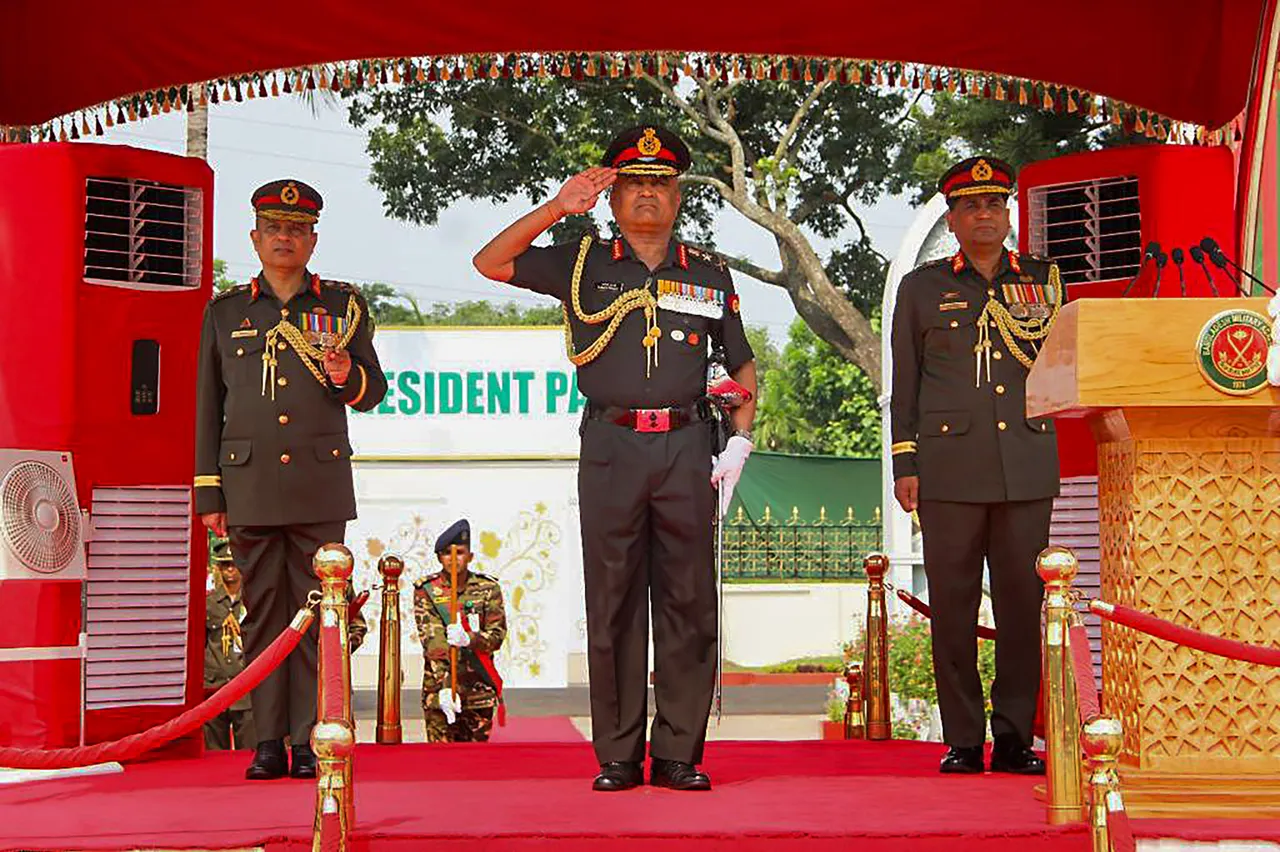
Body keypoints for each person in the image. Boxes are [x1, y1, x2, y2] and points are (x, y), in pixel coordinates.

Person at [473, 125, 757, 792]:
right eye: (635, 184)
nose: (648, 196)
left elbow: (739, 365)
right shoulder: (581, 263)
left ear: (678, 195)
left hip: (689, 444)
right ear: (614, 195)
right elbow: (489, 262)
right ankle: (620, 755)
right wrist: (555, 207)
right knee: (615, 602)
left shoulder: (709, 273)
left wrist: (740, 437)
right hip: (610, 445)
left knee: (689, 602)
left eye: (660, 184)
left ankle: (681, 751)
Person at [193, 179, 387, 781]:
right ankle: (267, 739)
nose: (285, 238)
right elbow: (207, 406)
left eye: (297, 230)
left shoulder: (343, 307)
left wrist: (344, 370)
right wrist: (209, 492)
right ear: (255, 238)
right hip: (247, 484)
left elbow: (372, 393)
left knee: (317, 615)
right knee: (260, 615)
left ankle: (309, 739)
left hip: (317, 484)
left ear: (312, 239)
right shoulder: (227, 313)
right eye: (274, 228)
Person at [890, 157, 1061, 775]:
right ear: (953, 218)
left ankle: (1015, 738)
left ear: (1008, 213)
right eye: (971, 206)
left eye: (995, 204)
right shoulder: (922, 287)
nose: (985, 214)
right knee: (954, 609)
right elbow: (903, 383)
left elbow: (1062, 368)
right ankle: (963, 738)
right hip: (947, 469)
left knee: (1022, 608)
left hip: (1024, 463)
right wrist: (904, 461)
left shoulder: (1045, 281)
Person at [412, 519, 508, 742]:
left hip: (478, 691)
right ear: (438, 557)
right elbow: (433, 643)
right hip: (440, 692)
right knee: (440, 765)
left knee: (475, 766)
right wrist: (445, 687)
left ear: (471, 556)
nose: (453, 559)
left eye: (460, 553)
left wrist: (470, 639)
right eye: (446, 553)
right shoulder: (427, 590)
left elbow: (496, 636)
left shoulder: (488, 588)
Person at [203, 537, 256, 751]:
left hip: (246, 686)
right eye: (225, 565)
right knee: (214, 753)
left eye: (234, 564)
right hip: (214, 684)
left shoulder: (254, 600)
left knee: (249, 750)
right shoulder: (209, 602)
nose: (231, 570)